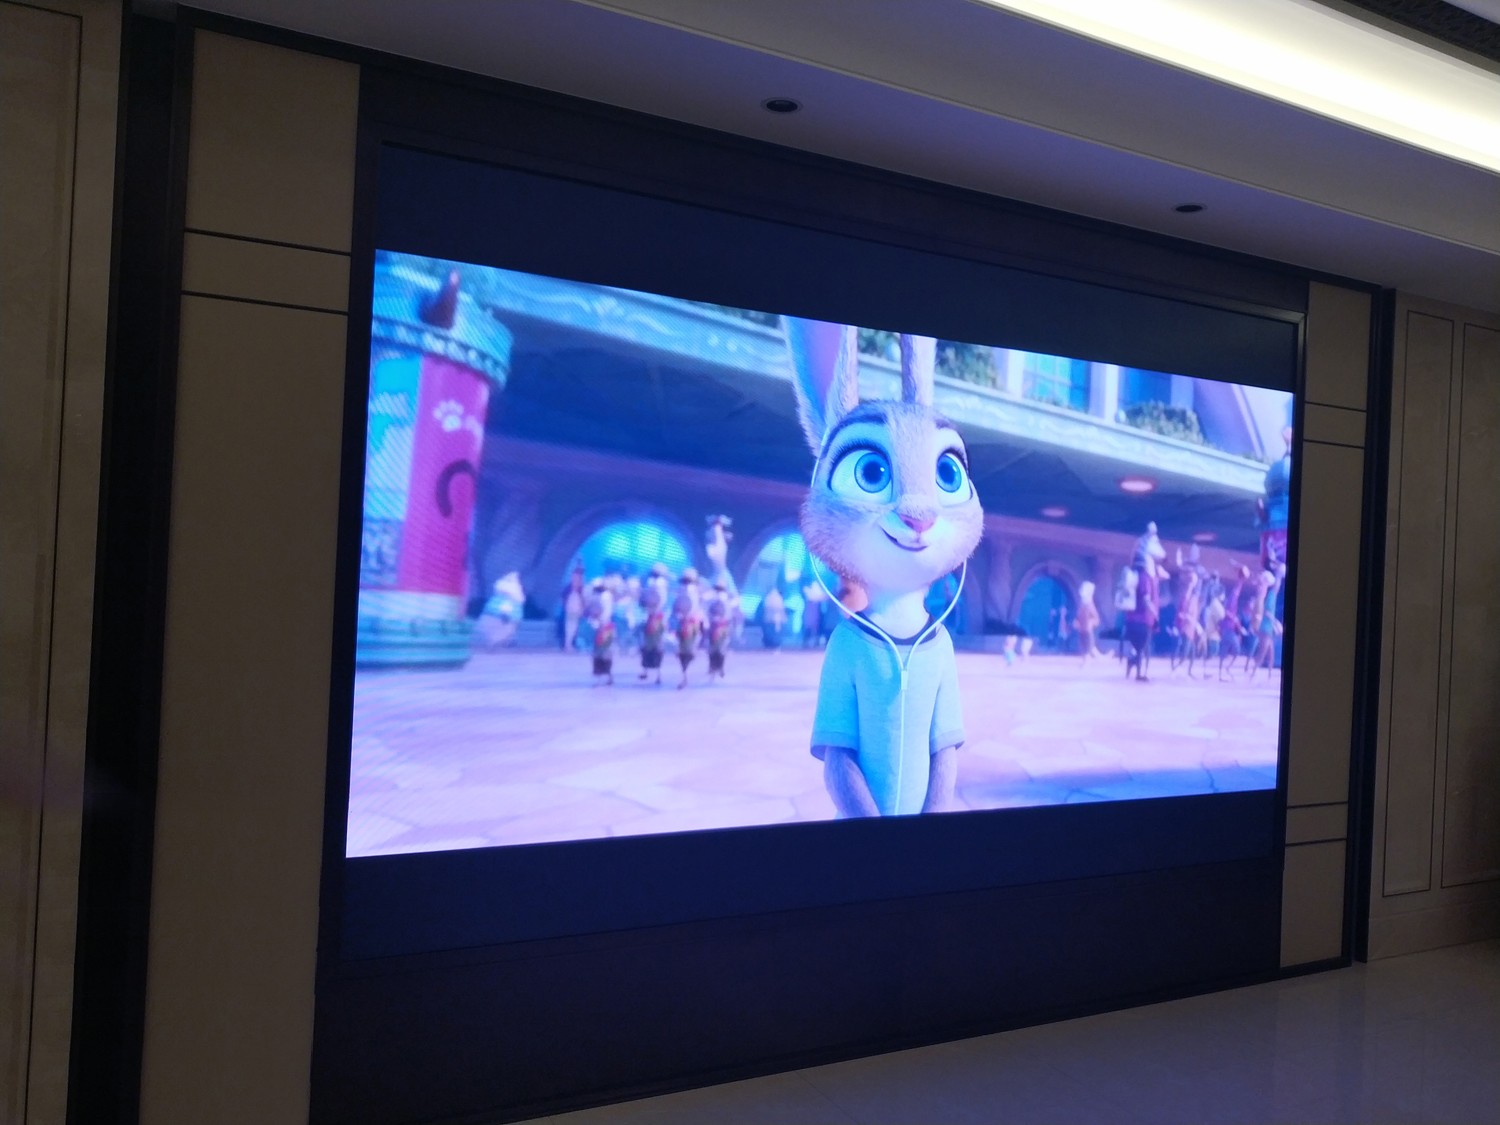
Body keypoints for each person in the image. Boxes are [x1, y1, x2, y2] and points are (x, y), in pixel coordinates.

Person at [1075, 580, 1102, 663]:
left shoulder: (1089, 604)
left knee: (1088, 645)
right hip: (1082, 629)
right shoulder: (1083, 604)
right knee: (1085, 645)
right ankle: (1087, 658)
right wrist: (1077, 621)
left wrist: (1091, 623)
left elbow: (1096, 618)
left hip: (1087, 629)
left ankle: (1087, 660)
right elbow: (1079, 616)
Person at [760, 585, 787, 649]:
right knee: (773, 633)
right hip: (771, 620)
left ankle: (774, 644)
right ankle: (773, 644)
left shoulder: (771, 598)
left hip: (772, 619)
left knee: (775, 633)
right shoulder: (771, 598)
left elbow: (780, 610)